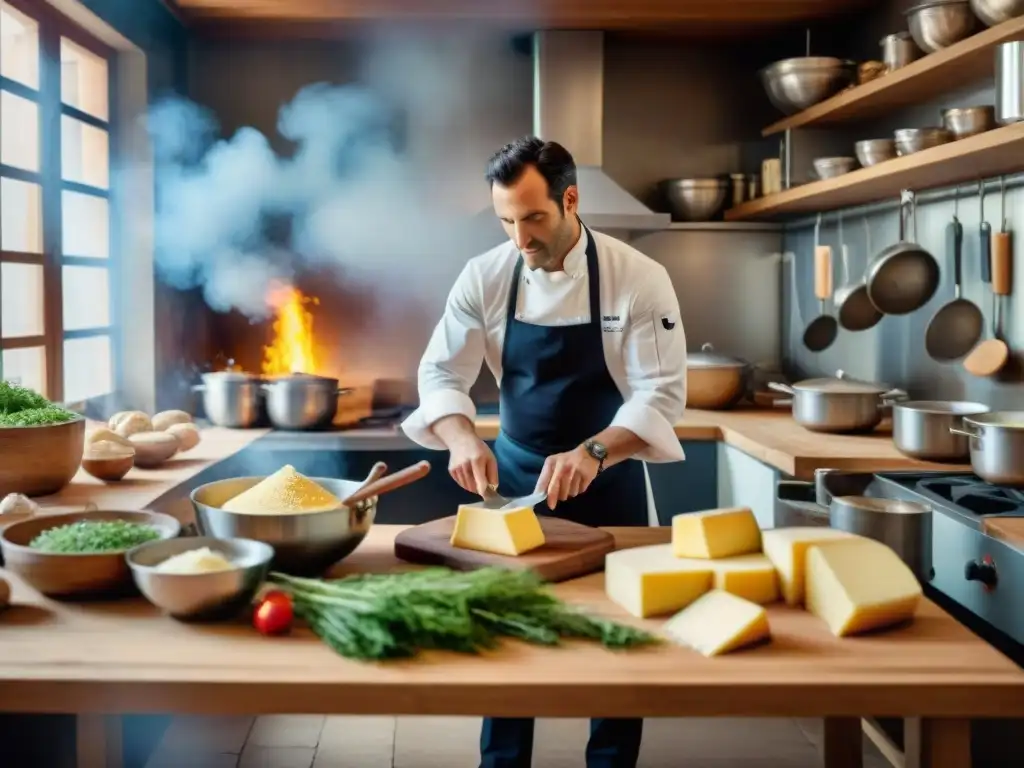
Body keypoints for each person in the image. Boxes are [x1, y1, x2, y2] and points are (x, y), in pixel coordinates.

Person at [400, 136, 688, 768]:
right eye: (506, 220)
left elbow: (661, 395)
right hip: (513, 480)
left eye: (533, 218)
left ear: (570, 199)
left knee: (619, 643)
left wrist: (594, 450)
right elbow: (441, 374)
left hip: (608, 482)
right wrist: (461, 436)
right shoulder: (484, 275)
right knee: (507, 636)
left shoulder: (637, 278)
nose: (520, 238)